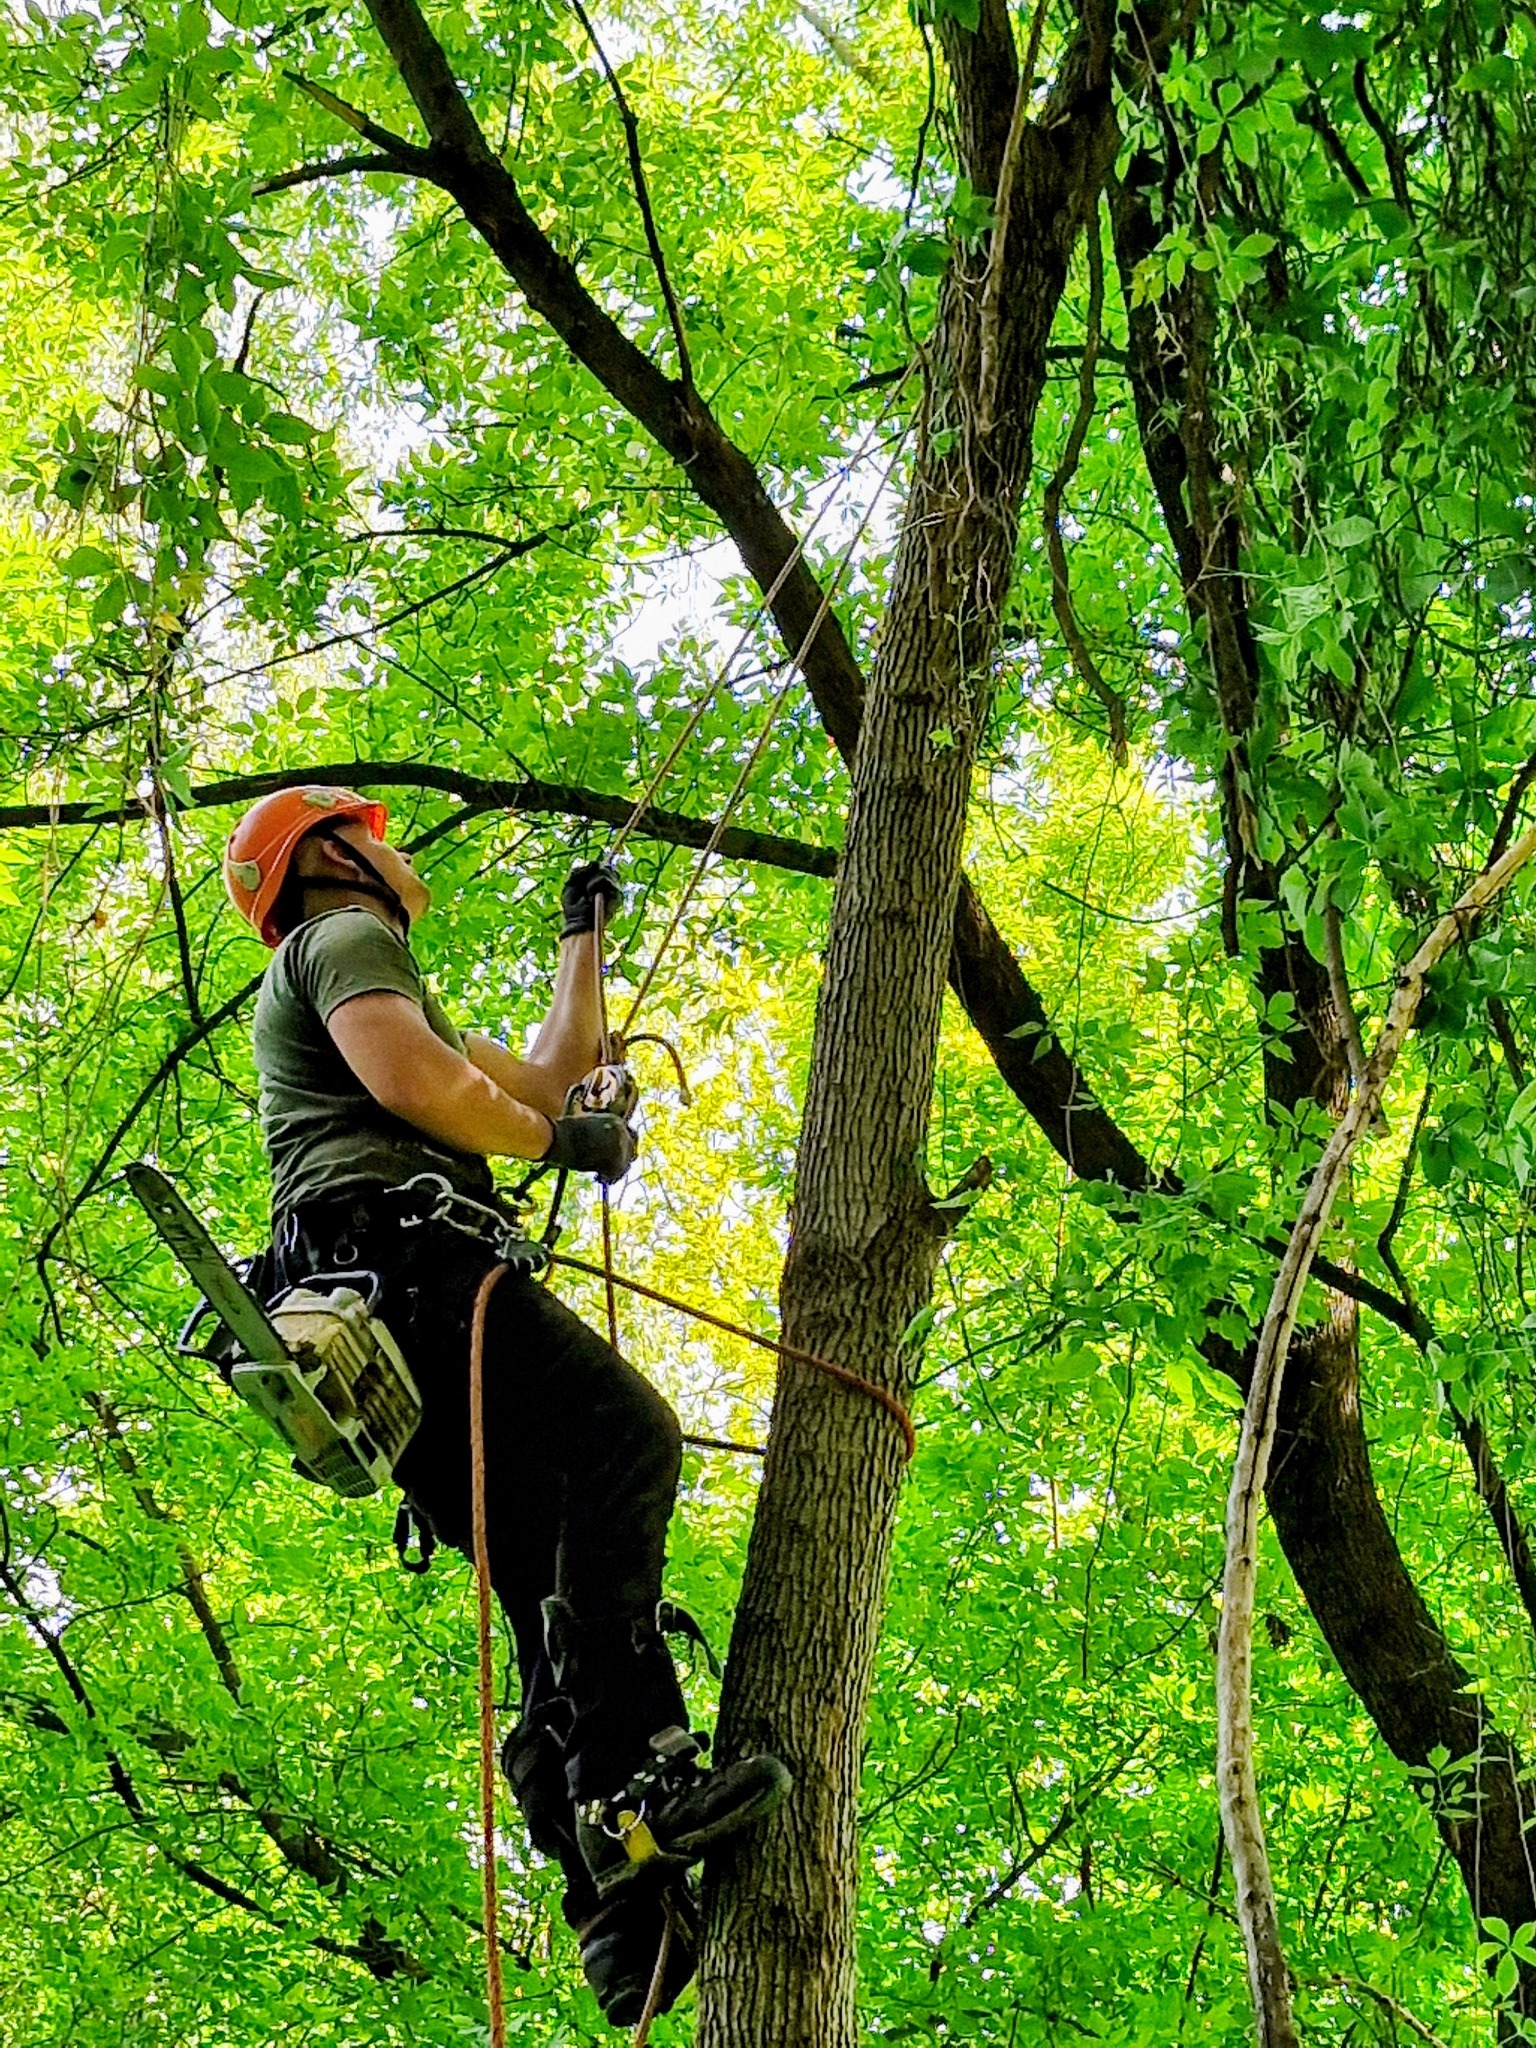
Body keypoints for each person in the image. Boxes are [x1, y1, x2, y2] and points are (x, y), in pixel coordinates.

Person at [222, 785, 789, 2025]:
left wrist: (583, 934)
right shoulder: (341, 940)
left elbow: (545, 1077)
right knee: (625, 1433)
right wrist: (555, 1146)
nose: (393, 852)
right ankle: (634, 1776)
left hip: (389, 1329)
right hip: (411, 1269)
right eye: (370, 835)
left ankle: (618, 1900)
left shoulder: (369, 964)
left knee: (547, 1579)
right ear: (330, 858)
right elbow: (418, 1080)